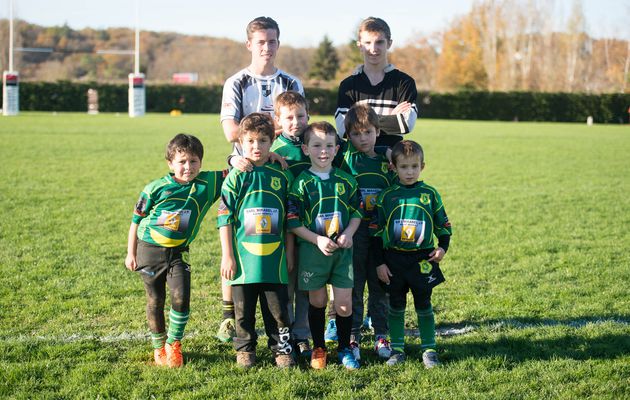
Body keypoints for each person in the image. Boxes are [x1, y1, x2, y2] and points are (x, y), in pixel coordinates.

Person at [217, 17, 304, 342]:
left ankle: (284, 325)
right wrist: (264, 138)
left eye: (272, 41)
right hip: (243, 166)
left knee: (280, 240)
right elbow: (231, 131)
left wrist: (272, 146)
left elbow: (298, 124)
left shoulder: (291, 82)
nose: (266, 47)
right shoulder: (237, 82)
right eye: (260, 42)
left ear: (278, 43)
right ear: (249, 44)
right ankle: (230, 316)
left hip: (280, 168)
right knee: (238, 238)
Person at [124, 133, 226, 368]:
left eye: (193, 161)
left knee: (181, 298)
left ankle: (174, 344)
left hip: (179, 252)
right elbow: (135, 221)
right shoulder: (155, 188)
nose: (188, 167)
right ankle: (159, 347)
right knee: (155, 300)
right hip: (148, 251)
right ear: (170, 164)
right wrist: (131, 253)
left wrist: (248, 158)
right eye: (181, 162)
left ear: (201, 162)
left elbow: (238, 169)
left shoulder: (208, 183)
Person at [218, 113, 295, 368]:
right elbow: (224, 219)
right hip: (243, 259)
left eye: (263, 141)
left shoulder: (282, 175)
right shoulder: (237, 176)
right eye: (250, 141)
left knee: (279, 311)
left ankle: (282, 349)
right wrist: (227, 255)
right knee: (243, 309)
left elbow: (289, 219)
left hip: (275, 258)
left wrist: (291, 252)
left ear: (271, 141)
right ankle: (245, 348)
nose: (256, 147)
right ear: (241, 141)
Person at [369, 140, 452, 368]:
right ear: (393, 167)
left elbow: (443, 225)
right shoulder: (387, 197)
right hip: (393, 258)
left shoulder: (429, 194)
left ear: (422, 166)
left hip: (422, 259)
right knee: (395, 305)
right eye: (404, 167)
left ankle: (429, 349)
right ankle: (397, 350)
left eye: (414, 166)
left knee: (424, 304)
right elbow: (375, 233)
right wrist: (379, 264)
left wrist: (442, 247)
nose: (409, 172)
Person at [287, 121, 363, 370]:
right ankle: (319, 347)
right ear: (306, 149)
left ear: (337, 148)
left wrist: (349, 233)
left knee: (344, 304)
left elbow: (357, 212)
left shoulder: (346, 181)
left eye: (329, 145)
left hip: (342, 253)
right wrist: (316, 239)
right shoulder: (300, 183)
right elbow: (293, 222)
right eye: (317, 145)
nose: (324, 151)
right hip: (312, 252)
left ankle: (343, 348)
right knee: (317, 301)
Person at [338, 104, 396, 360]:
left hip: (381, 234)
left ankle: (381, 334)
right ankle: (353, 336)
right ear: (348, 137)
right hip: (355, 233)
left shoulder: (387, 161)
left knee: (379, 286)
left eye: (368, 132)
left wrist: (390, 152)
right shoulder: (347, 158)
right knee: (355, 285)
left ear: (378, 131)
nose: (362, 138)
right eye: (356, 134)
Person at [270, 91, 312, 358]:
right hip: (284, 230)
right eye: (289, 117)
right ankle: (283, 334)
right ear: (278, 121)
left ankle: (302, 334)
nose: (295, 121)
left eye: (300, 116)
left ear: (308, 116)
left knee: (306, 283)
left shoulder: (315, 144)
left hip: (311, 228)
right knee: (286, 281)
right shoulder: (274, 151)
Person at [335, 17, 418, 150]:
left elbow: (405, 124)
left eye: (379, 42)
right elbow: (342, 129)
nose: (373, 49)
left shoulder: (404, 82)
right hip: (357, 164)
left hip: (392, 162)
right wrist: (390, 118)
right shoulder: (348, 85)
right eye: (367, 43)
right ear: (360, 45)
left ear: (389, 43)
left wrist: (359, 121)